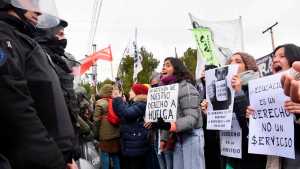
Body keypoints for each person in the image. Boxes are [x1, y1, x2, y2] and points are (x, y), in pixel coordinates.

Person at [0, 0, 76, 168]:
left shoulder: (21, 39)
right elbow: (16, 111)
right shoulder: (5, 38)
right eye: (31, 1)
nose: (39, 11)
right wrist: (56, 162)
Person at [247, 44, 300, 169]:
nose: (275, 60)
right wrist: (253, 118)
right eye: (274, 56)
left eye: (282, 56)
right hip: (275, 160)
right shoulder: (263, 91)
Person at [154, 57, 205, 169]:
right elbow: (167, 117)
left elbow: (192, 118)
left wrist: (173, 125)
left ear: (176, 69)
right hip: (177, 138)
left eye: (168, 65)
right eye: (163, 65)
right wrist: (163, 139)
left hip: (191, 137)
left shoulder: (186, 87)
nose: (163, 67)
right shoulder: (166, 90)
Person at [223, 52, 266, 169]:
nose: (233, 63)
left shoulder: (259, 87)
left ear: (248, 66)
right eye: (230, 61)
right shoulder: (225, 90)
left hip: (251, 153)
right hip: (232, 150)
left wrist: (238, 92)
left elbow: (247, 120)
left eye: (238, 61)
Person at [112, 83, 150, 169]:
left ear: (137, 92)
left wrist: (118, 99)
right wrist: (117, 100)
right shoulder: (135, 104)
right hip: (132, 144)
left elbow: (127, 114)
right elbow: (120, 113)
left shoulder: (141, 104)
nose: (129, 92)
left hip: (136, 145)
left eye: (131, 90)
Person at [94, 84, 121, 169]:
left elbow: (96, 120)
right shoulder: (116, 101)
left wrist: (96, 134)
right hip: (116, 134)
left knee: (105, 155)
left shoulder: (99, 103)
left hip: (105, 135)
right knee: (115, 156)